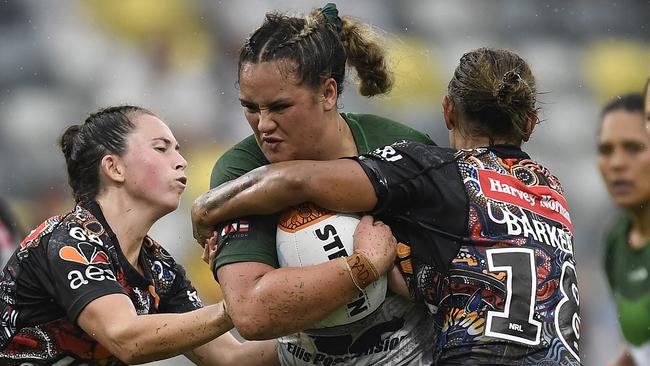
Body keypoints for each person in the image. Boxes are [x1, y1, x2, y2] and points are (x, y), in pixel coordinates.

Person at [193, 47, 582, 365]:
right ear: (530, 124)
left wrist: (205, 210)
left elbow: (295, 180)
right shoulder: (552, 191)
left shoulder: (439, 171)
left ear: (447, 110)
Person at [192, 3, 437, 365]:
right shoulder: (239, 170)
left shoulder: (401, 146)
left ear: (328, 93)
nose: (262, 125)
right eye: (250, 107)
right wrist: (365, 266)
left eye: (279, 107)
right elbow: (251, 314)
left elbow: (449, 279)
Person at [0, 106, 279, 365]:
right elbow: (127, 339)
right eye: (162, 148)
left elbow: (231, 358)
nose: (182, 161)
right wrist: (238, 304)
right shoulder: (70, 239)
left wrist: (312, 345)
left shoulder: (160, 269)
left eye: (179, 150)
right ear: (114, 168)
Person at [599, 89, 650, 366]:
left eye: (633, 148)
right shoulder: (616, 241)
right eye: (606, 150)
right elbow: (638, 348)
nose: (616, 163)